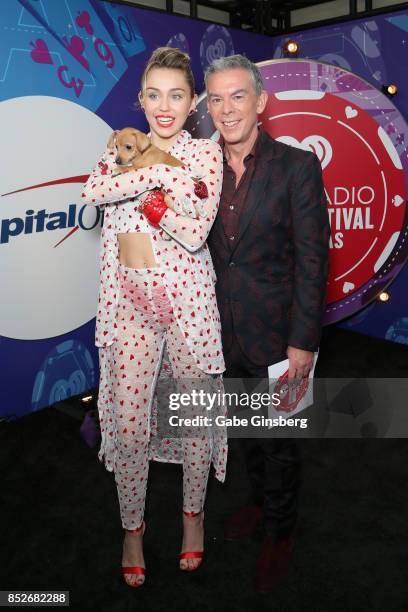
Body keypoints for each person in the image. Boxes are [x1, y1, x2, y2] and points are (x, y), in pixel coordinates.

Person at [81, 47, 227, 587]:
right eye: (153, 94)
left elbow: (193, 231)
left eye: (176, 95)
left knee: (191, 421)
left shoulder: (205, 156)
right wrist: (159, 179)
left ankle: (194, 519)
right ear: (140, 100)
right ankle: (133, 529)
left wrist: (139, 173)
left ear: (193, 105)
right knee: (131, 425)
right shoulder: (118, 146)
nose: (164, 107)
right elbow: (94, 190)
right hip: (129, 313)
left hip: (189, 310)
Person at [205, 55, 330, 592]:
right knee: (245, 436)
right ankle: (258, 506)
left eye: (237, 96)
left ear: (260, 102)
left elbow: (313, 261)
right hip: (217, 335)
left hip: (279, 335)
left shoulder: (297, 166)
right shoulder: (196, 168)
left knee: (280, 439)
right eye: (215, 99)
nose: (226, 109)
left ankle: (281, 535)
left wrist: (303, 342)